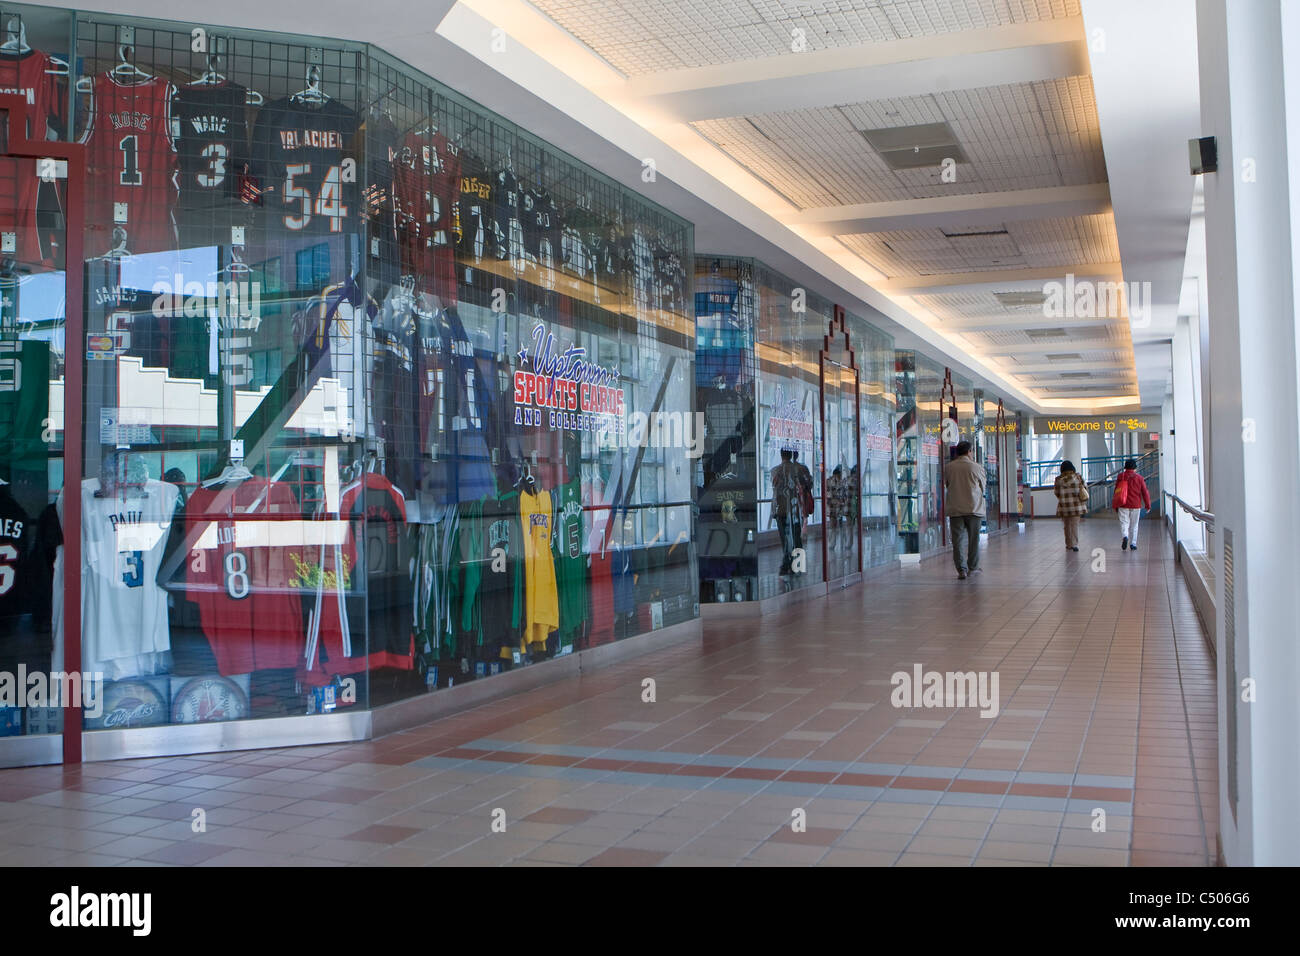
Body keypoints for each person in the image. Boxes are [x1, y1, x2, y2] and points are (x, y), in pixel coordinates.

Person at [943, 441, 986, 579]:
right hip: (974, 508)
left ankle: (961, 569)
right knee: (974, 540)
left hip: (955, 509)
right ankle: (973, 567)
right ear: (969, 452)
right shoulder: (976, 467)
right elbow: (983, 487)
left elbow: (947, 484)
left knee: (957, 541)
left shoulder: (949, 467)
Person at [771, 449, 803, 574]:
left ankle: (787, 563)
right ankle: (797, 565)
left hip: (780, 509)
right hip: (794, 508)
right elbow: (807, 484)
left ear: (781, 455)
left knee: (784, 538)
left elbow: (775, 488)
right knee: (796, 537)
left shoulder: (774, 471)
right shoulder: (798, 469)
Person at [1112, 459, 1152, 551]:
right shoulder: (1139, 478)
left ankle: (1125, 536)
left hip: (1123, 504)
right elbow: (1145, 492)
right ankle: (1133, 544)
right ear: (1135, 468)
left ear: (1125, 467)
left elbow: (1116, 491)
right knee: (1134, 525)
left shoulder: (1120, 476)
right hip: (1135, 505)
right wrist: (1147, 505)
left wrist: (1115, 505)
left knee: (1124, 523)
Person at [1054, 460, 1088, 551]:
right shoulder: (1078, 477)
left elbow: (1056, 493)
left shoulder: (1058, 480)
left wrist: (1064, 498)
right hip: (1076, 507)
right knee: (1074, 525)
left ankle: (1068, 544)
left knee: (1066, 525)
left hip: (1064, 507)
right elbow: (1085, 488)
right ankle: (1074, 544)